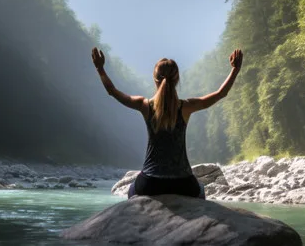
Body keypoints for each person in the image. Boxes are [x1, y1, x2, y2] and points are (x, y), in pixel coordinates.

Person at [91, 46, 243, 199]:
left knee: (131, 190)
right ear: (177, 79)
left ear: (154, 78)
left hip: (150, 183)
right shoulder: (186, 107)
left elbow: (112, 91)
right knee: (201, 190)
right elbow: (221, 94)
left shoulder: (145, 106)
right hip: (183, 184)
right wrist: (235, 70)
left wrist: (100, 69)